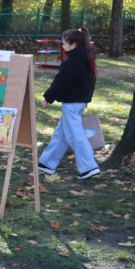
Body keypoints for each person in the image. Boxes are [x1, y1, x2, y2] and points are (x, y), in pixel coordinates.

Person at [38, 27, 100, 179]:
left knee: (76, 136)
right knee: (62, 134)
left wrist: (47, 98)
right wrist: (86, 100)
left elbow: (60, 84)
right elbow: (90, 83)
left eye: (64, 43)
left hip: (72, 105)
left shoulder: (71, 63)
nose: (62, 45)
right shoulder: (88, 60)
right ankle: (47, 162)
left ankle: (88, 167)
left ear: (73, 45)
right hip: (78, 104)